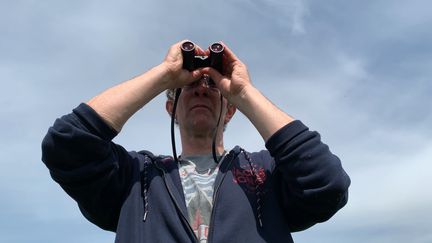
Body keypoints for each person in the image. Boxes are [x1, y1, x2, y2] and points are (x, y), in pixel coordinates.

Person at [41, 40, 350, 243]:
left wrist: (243, 93)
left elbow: (328, 183)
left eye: (211, 86)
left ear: (230, 111)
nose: (201, 90)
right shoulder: (135, 177)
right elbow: (68, 145)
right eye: (189, 86)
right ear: (170, 107)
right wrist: (164, 75)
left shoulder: (265, 173)